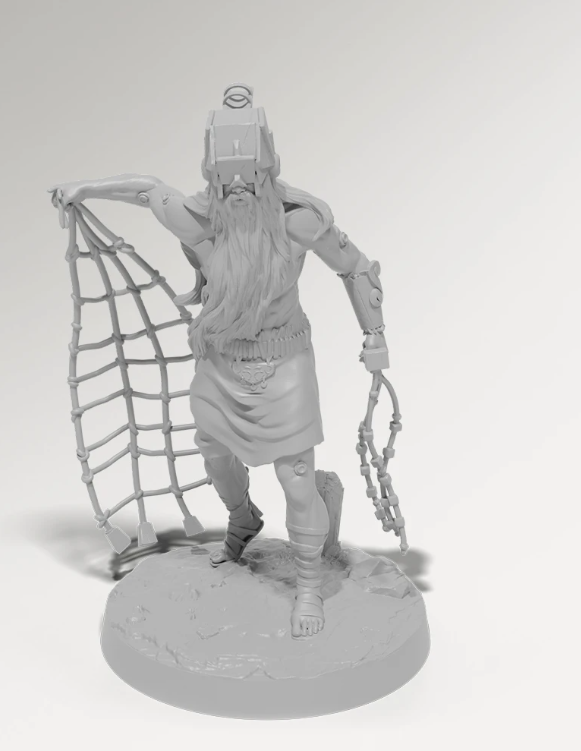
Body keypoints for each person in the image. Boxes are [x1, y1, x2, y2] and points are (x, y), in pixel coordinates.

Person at [51, 85, 389, 638]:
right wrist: (86, 188)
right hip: (221, 361)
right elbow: (146, 190)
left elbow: (355, 268)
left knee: (296, 476)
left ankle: (308, 584)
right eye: (226, 179)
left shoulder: (299, 220)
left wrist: (375, 336)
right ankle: (243, 517)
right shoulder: (197, 219)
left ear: (268, 169)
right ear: (211, 175)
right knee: (213, 454)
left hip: (284, 361)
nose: (237, 189)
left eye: (249, 178)